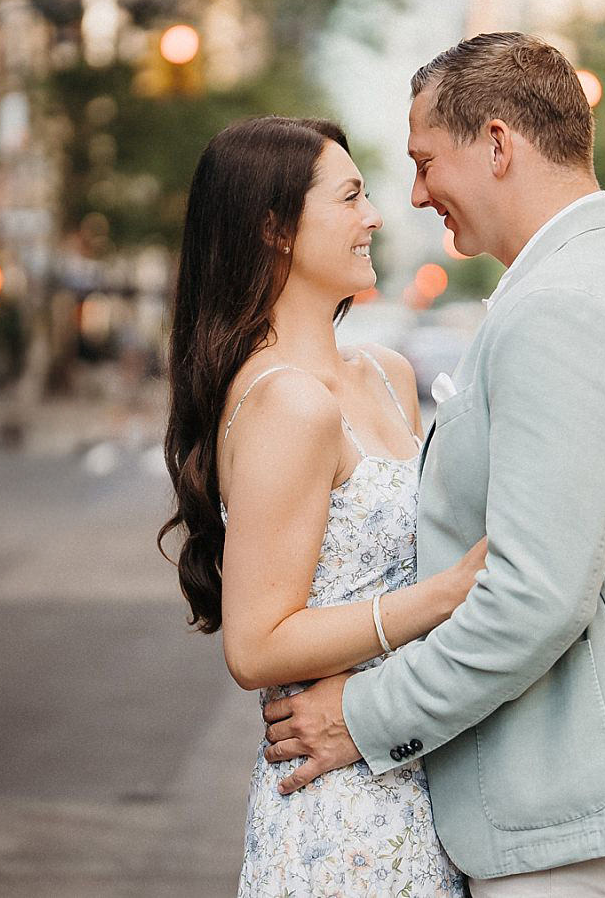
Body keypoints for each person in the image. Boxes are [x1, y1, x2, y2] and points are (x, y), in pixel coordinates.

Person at [260, 34, 605, 896]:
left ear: (496, 143)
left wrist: (359, 719)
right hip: (594, 802)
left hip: (580, 821)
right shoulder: (600, 274)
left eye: (423, 162)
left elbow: (534, 596)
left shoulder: (564, 304)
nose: (412, 196)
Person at [158, 115, 485, 895]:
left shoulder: (385, 374)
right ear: (275, 228)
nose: (373, 216)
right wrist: (442, 596)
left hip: (422, 772)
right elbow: (256, 645)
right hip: (341, 818)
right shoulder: (286, 404)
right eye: (348, 198)